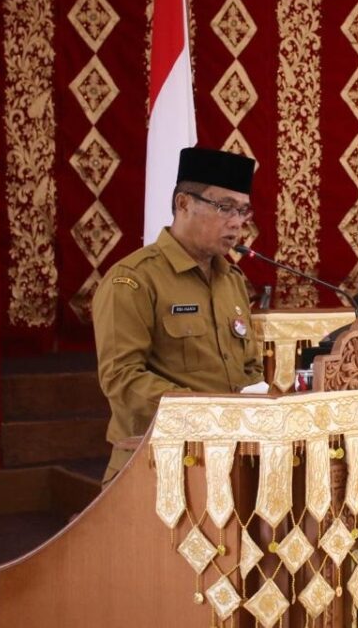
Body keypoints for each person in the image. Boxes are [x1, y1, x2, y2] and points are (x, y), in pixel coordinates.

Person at [94, 147, 262, 483]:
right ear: (183, 204)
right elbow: (122, 378)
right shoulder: (135, 279)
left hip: (227, 464)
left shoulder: (232, 281)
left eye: (243, 210)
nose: (237, 222)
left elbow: (250, 367)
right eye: (225, 207)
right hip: (155, 465)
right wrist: (203, 412)